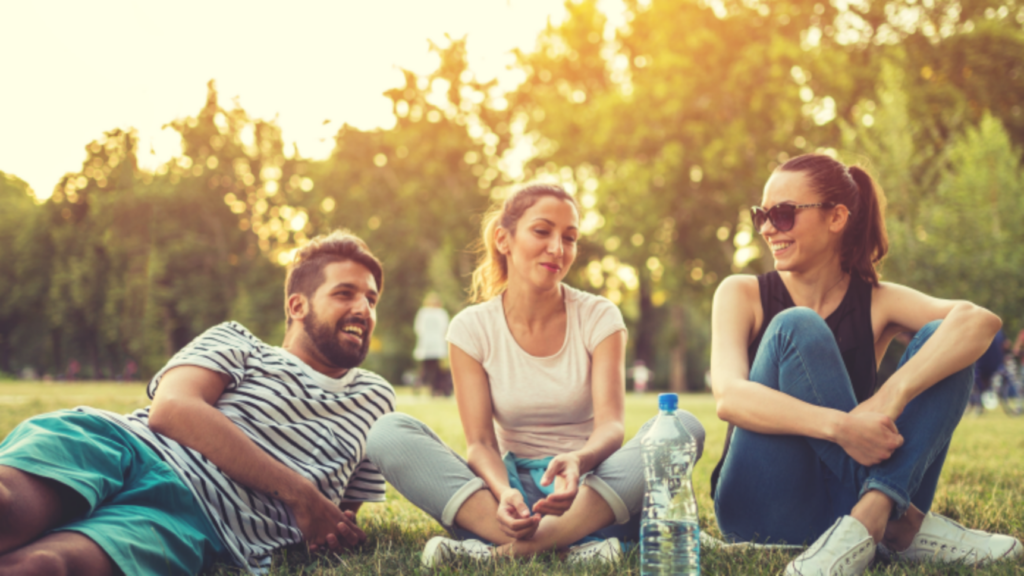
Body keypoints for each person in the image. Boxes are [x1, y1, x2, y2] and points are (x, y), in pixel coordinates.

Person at [0, 230, 395, 575]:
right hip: (121, 445)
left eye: (371, 300)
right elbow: (172, 410)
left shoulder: (376, 401)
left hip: (199, 519)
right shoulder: (238, 341)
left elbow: (336, 516)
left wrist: (329, 524)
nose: (363, 309)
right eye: (345, 293)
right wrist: (300, 494)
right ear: (297, 306)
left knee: (44, 567)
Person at [709, 154, 1021, 575]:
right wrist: (842, 426)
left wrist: (892, 395)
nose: (767, 227)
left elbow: (981, 322)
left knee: (943, 342)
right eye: (761, 214)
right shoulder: (741, 293)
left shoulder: (877, 300)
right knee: (796, 327)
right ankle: (901, 525)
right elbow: (729, 397)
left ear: (836, 217)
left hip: (847, 514)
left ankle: (874, 516)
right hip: (761, 509)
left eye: (782, 214)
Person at [366, 183, 705, 568]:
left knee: (686, 426)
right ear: (503, 239)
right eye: (542, 231)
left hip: (590, 488)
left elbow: (611, 426)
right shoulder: (470, 329)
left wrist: (578, 460)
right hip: (506, 499)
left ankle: (500, 555)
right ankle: (576, 546)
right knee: (386, 432)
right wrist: (503, 491)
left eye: (570, 238)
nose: (558, 249)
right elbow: (480, 442)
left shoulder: (599, 316)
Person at [413, 292, 451, 396]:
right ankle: (434, 390)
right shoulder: (441, 313)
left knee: (425, 369)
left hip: (425, 345)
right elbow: (445, 329)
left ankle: (418, 388)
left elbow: (418, 329)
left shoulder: (423, 313)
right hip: (437, 346)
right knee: (436, 369)